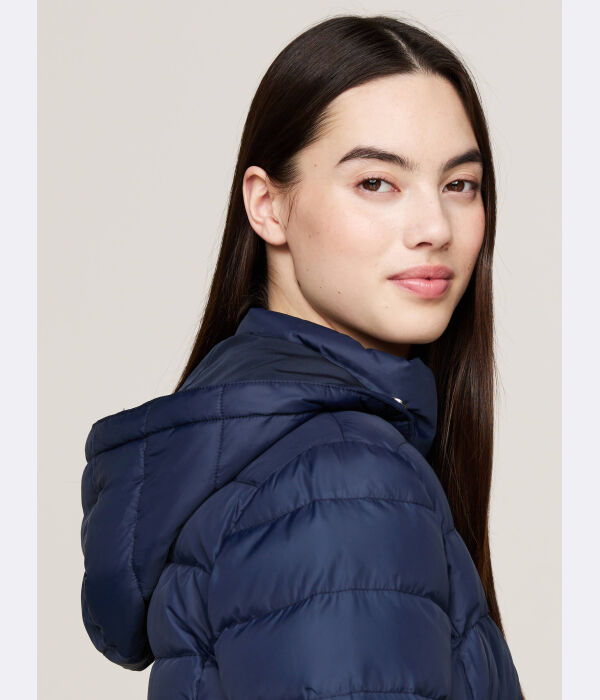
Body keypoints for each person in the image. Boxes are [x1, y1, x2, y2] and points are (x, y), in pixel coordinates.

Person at [80, 14, 525, 699]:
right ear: (268, 206)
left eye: (459, 184)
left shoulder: (269, 445)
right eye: (376, 182)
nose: (435, 227)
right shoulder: (343, 480)